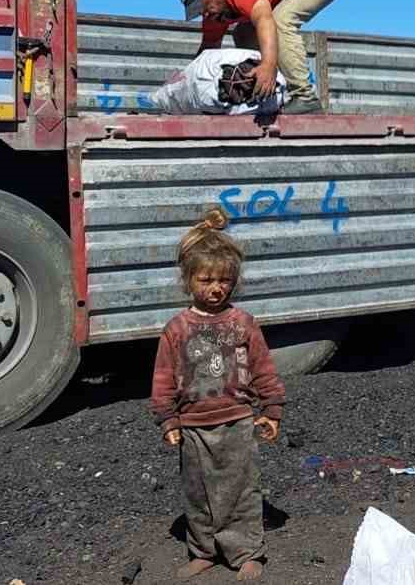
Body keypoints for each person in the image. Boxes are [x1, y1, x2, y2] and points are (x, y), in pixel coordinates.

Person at [150, 209, 286, 580]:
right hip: (194, 426)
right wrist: (168, 418)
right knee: (199, 493)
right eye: (206, 279)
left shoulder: (242, 323)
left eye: (225, 280)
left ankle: (247, 552)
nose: (216, 287)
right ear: (188, 280)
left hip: (238, 421)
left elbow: (262, 368)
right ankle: (204, 550)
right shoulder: (176, 328)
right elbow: (163, 377)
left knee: (242, 489)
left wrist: (271, 409)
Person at [174, 0, 341, 114]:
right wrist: (184, 82)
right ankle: (265, 91)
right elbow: (207, 52)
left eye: (204, 5)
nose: (204, 12)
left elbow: (265, 21)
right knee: (243, 32)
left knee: (279, 21)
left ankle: (305, 97)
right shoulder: (214, 14)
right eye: (197, 10)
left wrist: (268, 65)